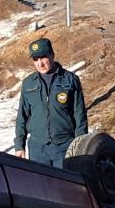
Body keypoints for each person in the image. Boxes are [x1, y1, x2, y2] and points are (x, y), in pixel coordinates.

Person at [12, 36, 88, 169]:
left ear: (52, 55)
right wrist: (19, 145)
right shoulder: (29, 83)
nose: (40, 63)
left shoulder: (70, 80)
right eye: (36, 59)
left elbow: (80, 116)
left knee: (65, 186)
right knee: (41, 187)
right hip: (38, 149)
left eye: (43, 58)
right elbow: (22, 116)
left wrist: (80, 148)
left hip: (65, 147)